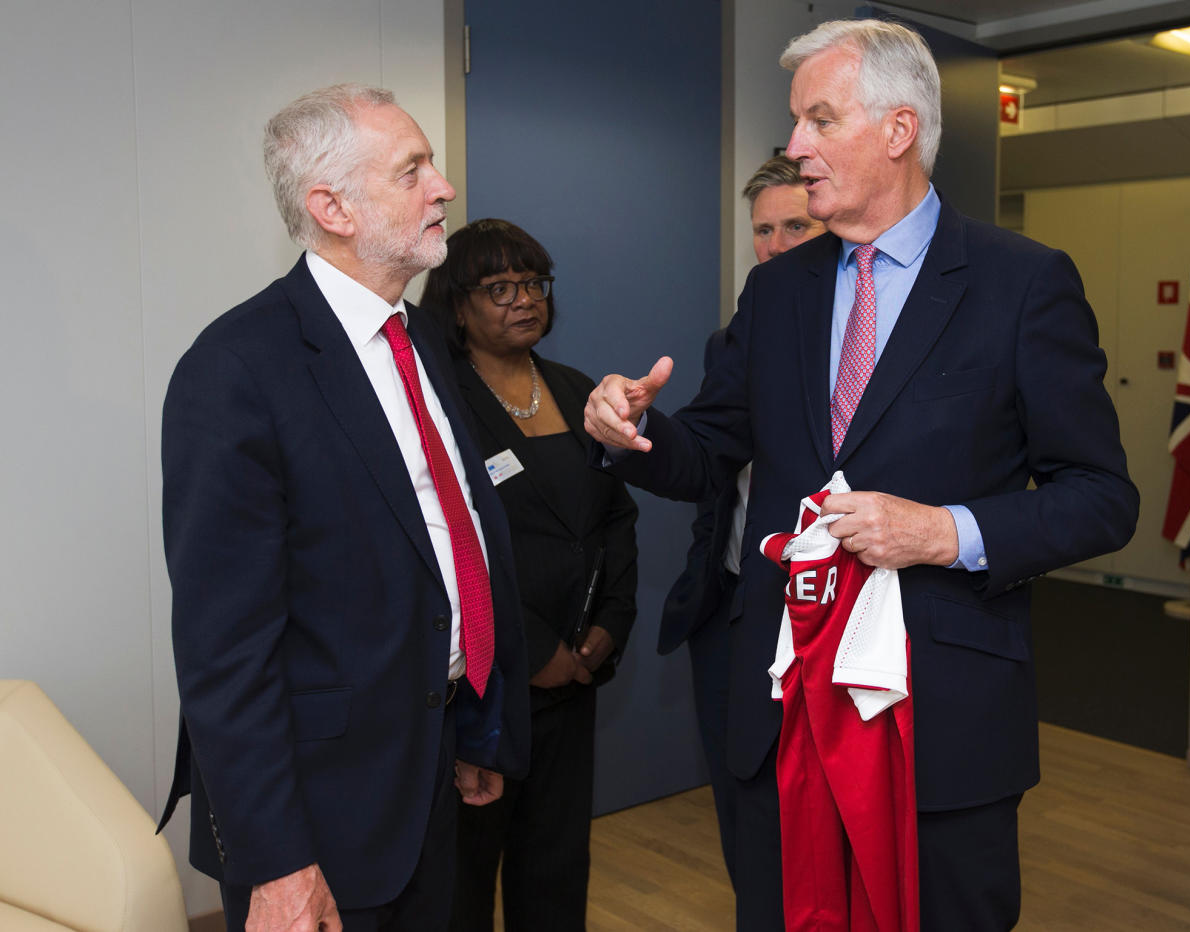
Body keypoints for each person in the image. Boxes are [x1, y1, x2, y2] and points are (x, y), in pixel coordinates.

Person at [584, 19, 1138, 932]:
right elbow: (712, 453)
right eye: (795, 123)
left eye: (819, 120)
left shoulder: (1023, 284)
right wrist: (631, 433)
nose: (794, 146)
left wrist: (943, 532)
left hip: (939, 719)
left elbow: (1104, 498)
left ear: (898, 129)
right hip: (782, 709)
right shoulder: (780, 289)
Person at [157, 84, 530, 932]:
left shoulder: (421, 337)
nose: (444, 188)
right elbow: (224, 653)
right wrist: (277, 863)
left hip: (432, 765)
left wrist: (478, 724)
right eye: (413, 171)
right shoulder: (236, 371)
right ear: (333, 207)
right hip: (316, 812)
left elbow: (446, 543)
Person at [420, 218, 639, 931]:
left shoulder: (577, 389)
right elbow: (452, 548)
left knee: (556, 868)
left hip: (574, 681)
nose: (524, 299)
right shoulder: (436, 403)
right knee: (465, 880)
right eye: (500, 287)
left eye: (534, 282)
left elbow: (615, 519)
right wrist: (534, 650)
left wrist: (610, 625)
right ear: (457, 304)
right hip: (485, 689)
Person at [658, 154, 825, 887]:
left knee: (817, 825)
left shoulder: (858, 345)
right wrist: (632, 434)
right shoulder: (731, 342)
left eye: (796, 224)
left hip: (818, 618)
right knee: (746, 823)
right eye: (763, 229)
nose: (776, 244)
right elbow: (710, 458)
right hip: (730, 608)